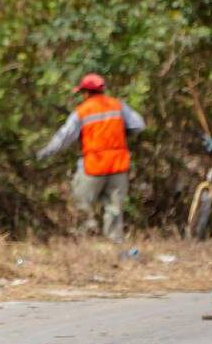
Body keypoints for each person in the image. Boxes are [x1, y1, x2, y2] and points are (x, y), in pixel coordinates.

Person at [36, 73, 145, 242]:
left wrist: (45, 152)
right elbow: (138, 125)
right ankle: (114, 243)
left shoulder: (82, 111)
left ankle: (87, 236)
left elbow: (64, 138)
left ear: (85, 93)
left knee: (81, 202)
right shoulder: (118, 105)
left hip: (94, 166)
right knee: (114, 208)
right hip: (118, 165)